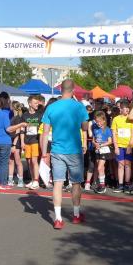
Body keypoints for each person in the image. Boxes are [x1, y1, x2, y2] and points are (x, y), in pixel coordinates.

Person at [40, 79, 89, 229]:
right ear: (73, 90)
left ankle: (58, 218)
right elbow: (85, 127)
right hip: (74, 150)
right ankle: (76, 215)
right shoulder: (79, 106)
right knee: (76, 183)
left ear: (61, 90)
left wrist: (44, 153)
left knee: (58, 183)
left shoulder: (51, 107)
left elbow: (45, 133)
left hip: (57, 150)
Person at [0, 99, 26, 190]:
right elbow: (8, 129)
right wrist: (20, 125)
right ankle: (3, 183)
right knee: (4, 163)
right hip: (4, 141)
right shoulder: (4, 114)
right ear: (1, 105)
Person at [112, 101, 133, 192]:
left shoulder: (131, 119)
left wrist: (130, 146)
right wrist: (116, 147)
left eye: (128, 108)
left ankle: (127, 184)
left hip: (128, 146)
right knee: (120, 165)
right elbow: (114, 134)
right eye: (125, 108)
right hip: (119, 146)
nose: (127, 110)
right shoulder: (116, 119)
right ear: (121, 109)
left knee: (128, 165)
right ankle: (120, 184)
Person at [23, 95, 44, 189]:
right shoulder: (25, 115)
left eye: (37, 103)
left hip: (35, 140)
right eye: (35, 103)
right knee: (29, 161)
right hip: (27, 141)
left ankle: (36, 181)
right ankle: (32, 180)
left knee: (34, 160)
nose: (37, 105)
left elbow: (43, 129)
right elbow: (22, 129)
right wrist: (22, 142)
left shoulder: (39, 115)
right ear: (30, 103)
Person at [91, 110, 114, 193]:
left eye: (100, 121)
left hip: (104, 150)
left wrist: (101, 145)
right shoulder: (94, 128)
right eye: (97, 121)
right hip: (97, 150)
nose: (98, 123)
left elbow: (110, 141)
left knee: (100, 167)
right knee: (100, 168)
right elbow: (93, 140)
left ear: (104, 120)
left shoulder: (107, 129)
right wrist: (95, 144)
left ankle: (102, 186)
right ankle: (101, 184)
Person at [8, 101, 26, 187]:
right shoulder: (14, 117)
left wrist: (14, 144)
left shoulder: (18, 118)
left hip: (16, 142)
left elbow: (18, 131)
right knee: (11, 161)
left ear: (12, 107)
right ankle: (10, 179)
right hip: (11, 141)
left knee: (18, 161)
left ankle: (20, 180)